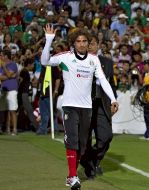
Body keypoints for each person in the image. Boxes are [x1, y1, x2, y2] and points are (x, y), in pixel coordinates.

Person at [40, 24, 118, 190]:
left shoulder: (93, 60)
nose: (82, 44)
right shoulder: (66, 57)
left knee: (83, 145)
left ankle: (72, 174)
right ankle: (72, 176)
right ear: (73, 44)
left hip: (87, 108)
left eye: (84, 41)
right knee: (73, 141)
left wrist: (113, 99)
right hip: (70, 106)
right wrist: (48, 41)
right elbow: (45, 61)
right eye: (78, 41)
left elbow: (103, 81)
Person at [79, 35, 117, 180]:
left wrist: (114, 101)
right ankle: (89, 167)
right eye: (88, 44)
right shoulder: (78, 62)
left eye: (93, 44)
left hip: (102, 105)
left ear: (98, 45)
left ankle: (94, 160)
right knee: (85, 140)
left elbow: (112, 84)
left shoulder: (107, 63)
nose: (90, 47)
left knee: (106, 137)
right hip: (85, 105)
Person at [0, 49, 18, 135]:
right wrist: (10, 76)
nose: (0, 57)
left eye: (1, 55)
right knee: (5, 110)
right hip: (3, 90)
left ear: (6, 56)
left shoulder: (12, 64)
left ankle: (14, 129)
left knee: (12, 110)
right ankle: (7, 129)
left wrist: (4, 69)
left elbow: (8, 74)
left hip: (12, 90)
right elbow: (3, 77)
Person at [18, 58, 38, 131]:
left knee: (23, 110)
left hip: (24, 92)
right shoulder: (24, 71)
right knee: (29, 110)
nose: (33, 66)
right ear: (29, 64)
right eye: (32, 64)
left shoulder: (25, 71)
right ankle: (36, 127)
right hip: (23, 93)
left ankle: (22, 126)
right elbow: (20, 81)